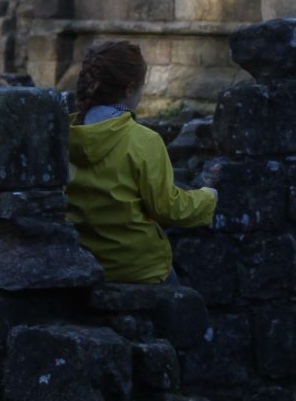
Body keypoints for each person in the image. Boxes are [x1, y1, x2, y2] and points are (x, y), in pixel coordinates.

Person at [65, 39, 218, 284]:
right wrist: (208, 198)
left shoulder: (65, 135)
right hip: (138, 267)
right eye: (141, 88)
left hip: (85, 261)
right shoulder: (142, 140)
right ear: (129, 89)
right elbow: (166, 207)